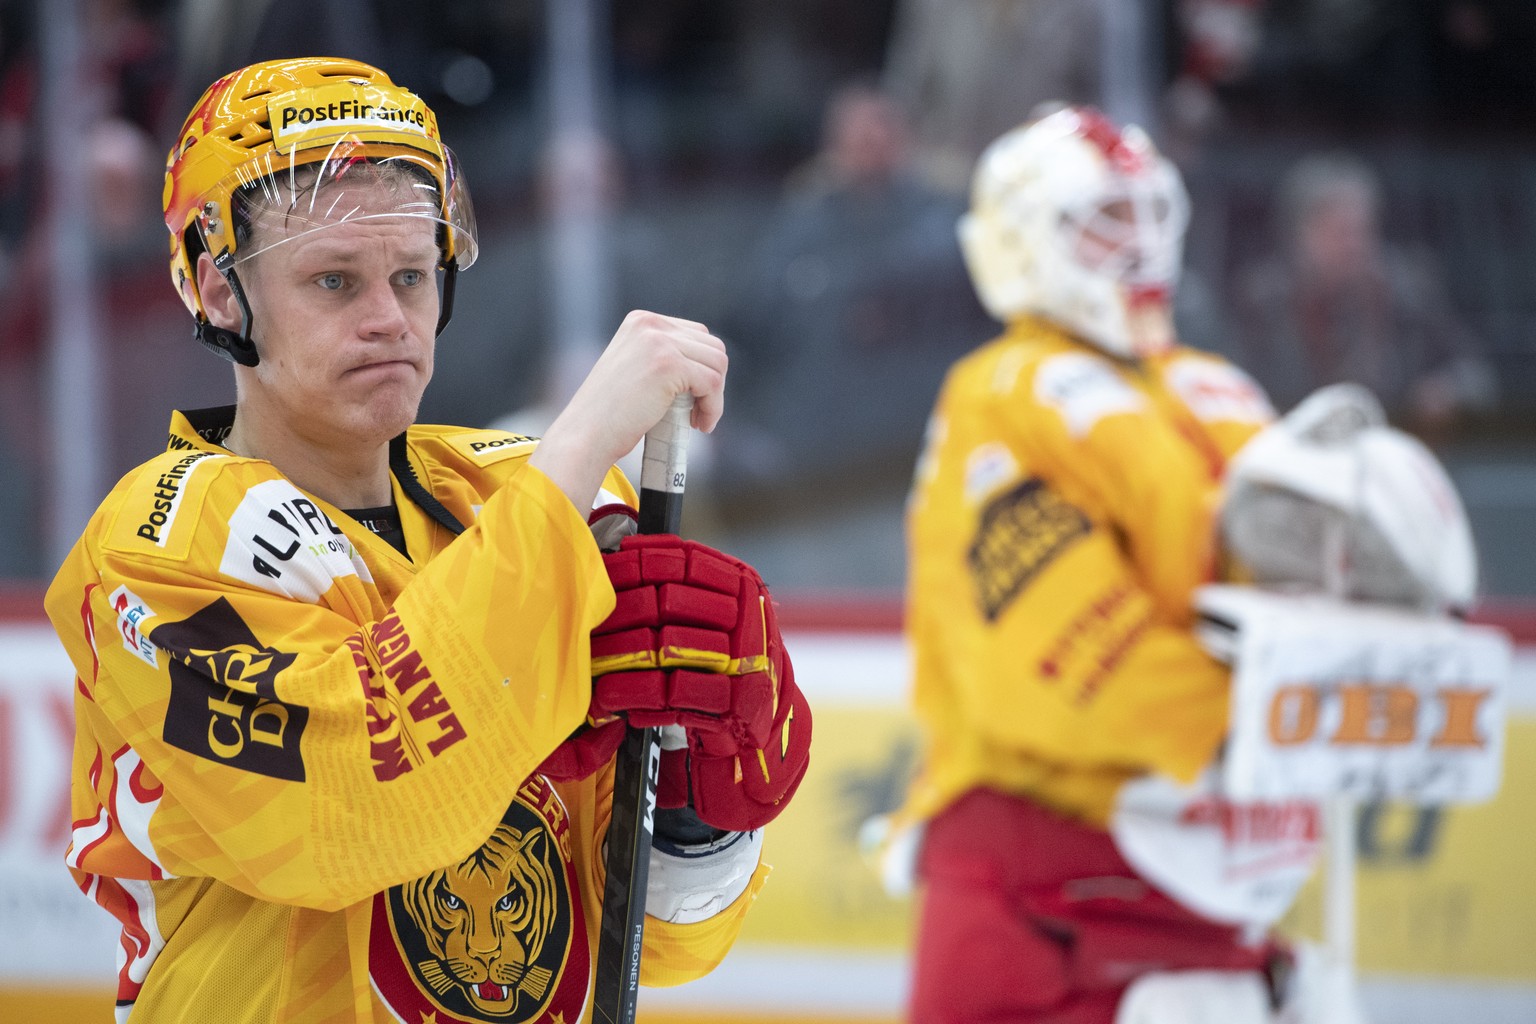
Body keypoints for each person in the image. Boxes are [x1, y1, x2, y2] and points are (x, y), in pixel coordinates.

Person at [44, 56, 811, 1024]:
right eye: (333, 280)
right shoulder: (158, 542)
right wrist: (576, 445)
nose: (388, 319)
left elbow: (649, 946)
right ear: (221, 292)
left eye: (410, 274)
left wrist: (697, 817)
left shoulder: (517, 498)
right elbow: (351, 818)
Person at [889, 106, 1311, 1023]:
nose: (1142, 244)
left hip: (1211, 885)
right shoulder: (1005, 393)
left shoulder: (1218, 387)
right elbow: (1062, 635)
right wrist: (1269, 722)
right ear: (1023, 239)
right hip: (1044, 890)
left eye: (1153, 212)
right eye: (1104, 219)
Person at [1229, 150, 1497, 431]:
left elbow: (1477, 373)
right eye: (1339, 231)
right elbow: (1231, 385)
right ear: (1300, 234)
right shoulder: (1262, 300)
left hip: (1389, 448)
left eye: (1363, 230)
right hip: (1291, 455)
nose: (1354, 245)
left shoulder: (1407, 292)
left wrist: (1447, 389)